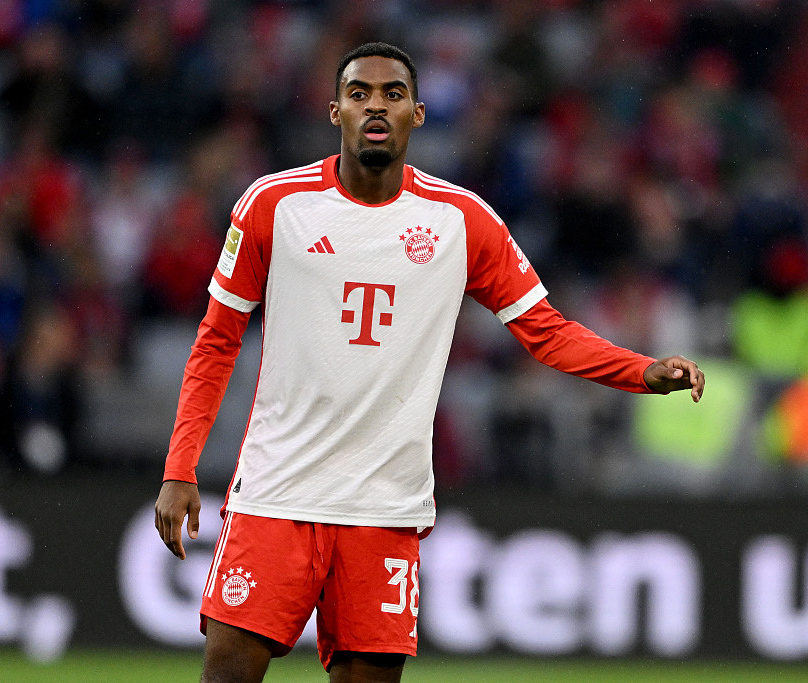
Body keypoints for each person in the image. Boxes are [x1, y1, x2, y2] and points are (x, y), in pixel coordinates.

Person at [154, 42, 705, 683]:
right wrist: (179, 468)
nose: (376, 106)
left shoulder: (461, 221)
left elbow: (546, 333)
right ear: (335, 111)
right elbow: (217, 339)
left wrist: (640, 370)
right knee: (227, 674)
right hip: (278, 492)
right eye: (360, 94)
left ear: (418, 112)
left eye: (392, 94)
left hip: (385, 507)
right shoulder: (275, 206)